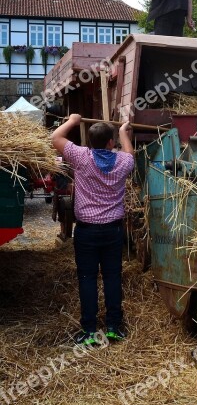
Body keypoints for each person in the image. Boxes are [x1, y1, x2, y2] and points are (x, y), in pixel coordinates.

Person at [51, 114, 134, 345]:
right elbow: (130, 154)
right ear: (110, 143)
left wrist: (73, 120)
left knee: (87, 278)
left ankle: (89, 331)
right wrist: (123, 133)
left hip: (86, 232)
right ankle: (113, 328)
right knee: (112, 277)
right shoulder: (122, 162)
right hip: (112, 231)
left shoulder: (81, 157)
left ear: (89, 142)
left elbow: (56, 137)